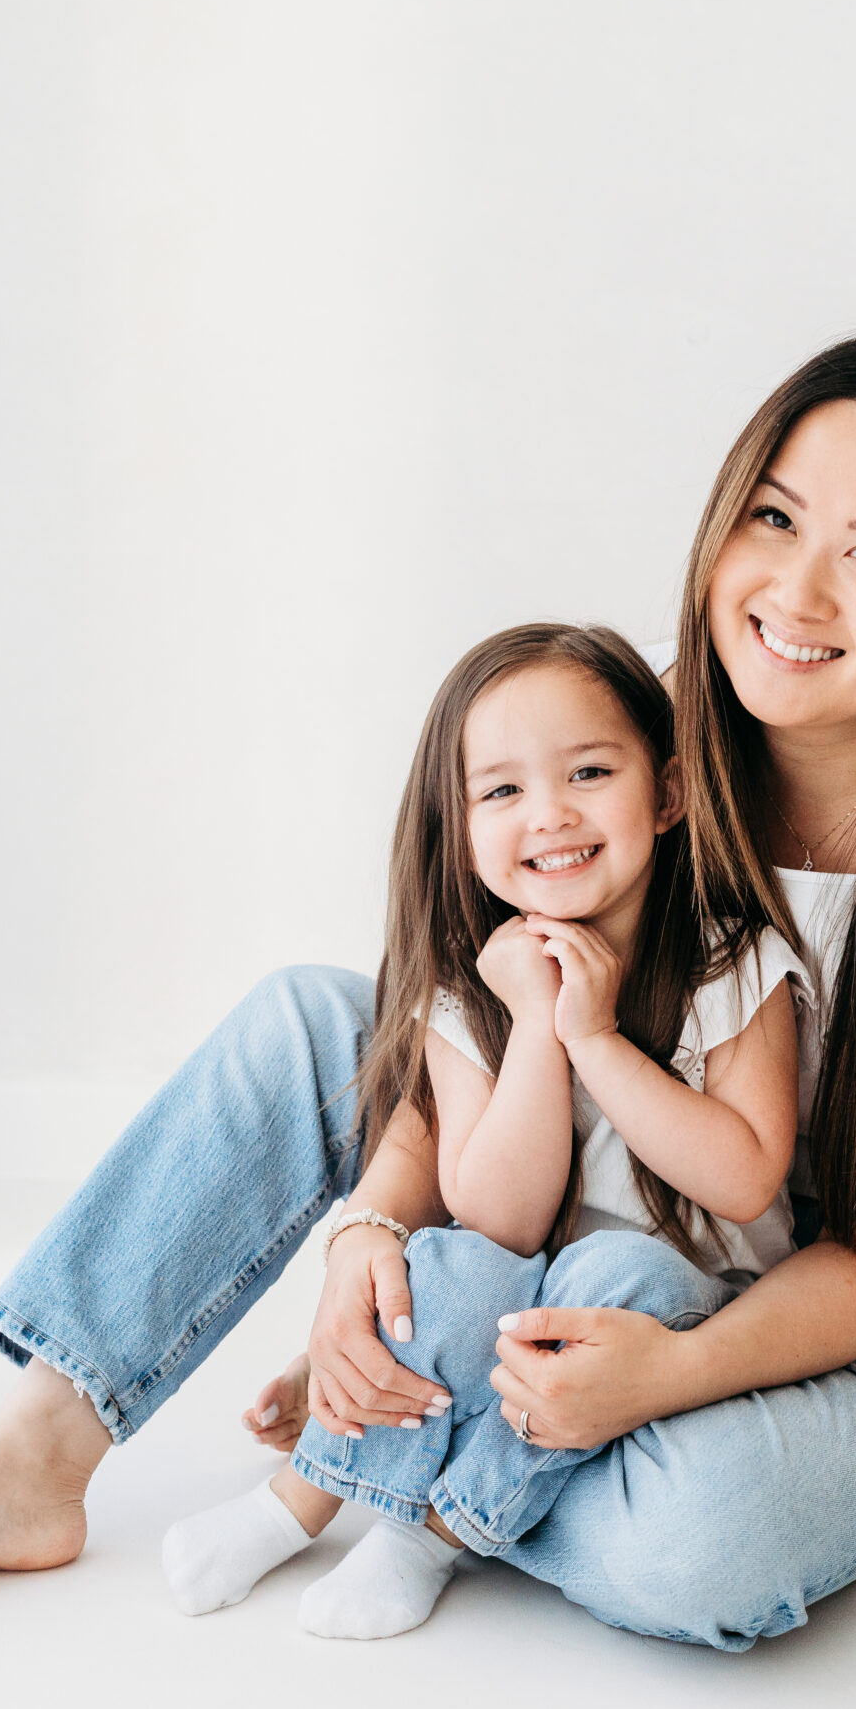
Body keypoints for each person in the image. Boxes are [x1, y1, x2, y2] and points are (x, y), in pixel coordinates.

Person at [0, 333, 856, 1655]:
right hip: (596, 1187)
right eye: (772, 518)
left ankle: (420, 1452)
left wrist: (667, 1372)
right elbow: (456, 1018)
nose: (796, 593)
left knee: (702, 1541)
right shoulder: (645, 737)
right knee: (307, 1019)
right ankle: (32, 1458)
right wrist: (371, 1240)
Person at [160, 621, 804, 1638]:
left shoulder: (737, 963)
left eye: (590, 771)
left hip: (685, 1305)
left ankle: (432, 1536)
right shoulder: (470, 985)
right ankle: (298, 1503)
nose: (550, 814)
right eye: (502, 791)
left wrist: (596, 1037)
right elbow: (496, 1213)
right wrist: (539, 1027)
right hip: (528, 1292)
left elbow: (746, 1181)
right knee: (443, 1266)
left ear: (668, 793)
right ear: (457, 828)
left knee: (606, 1278)